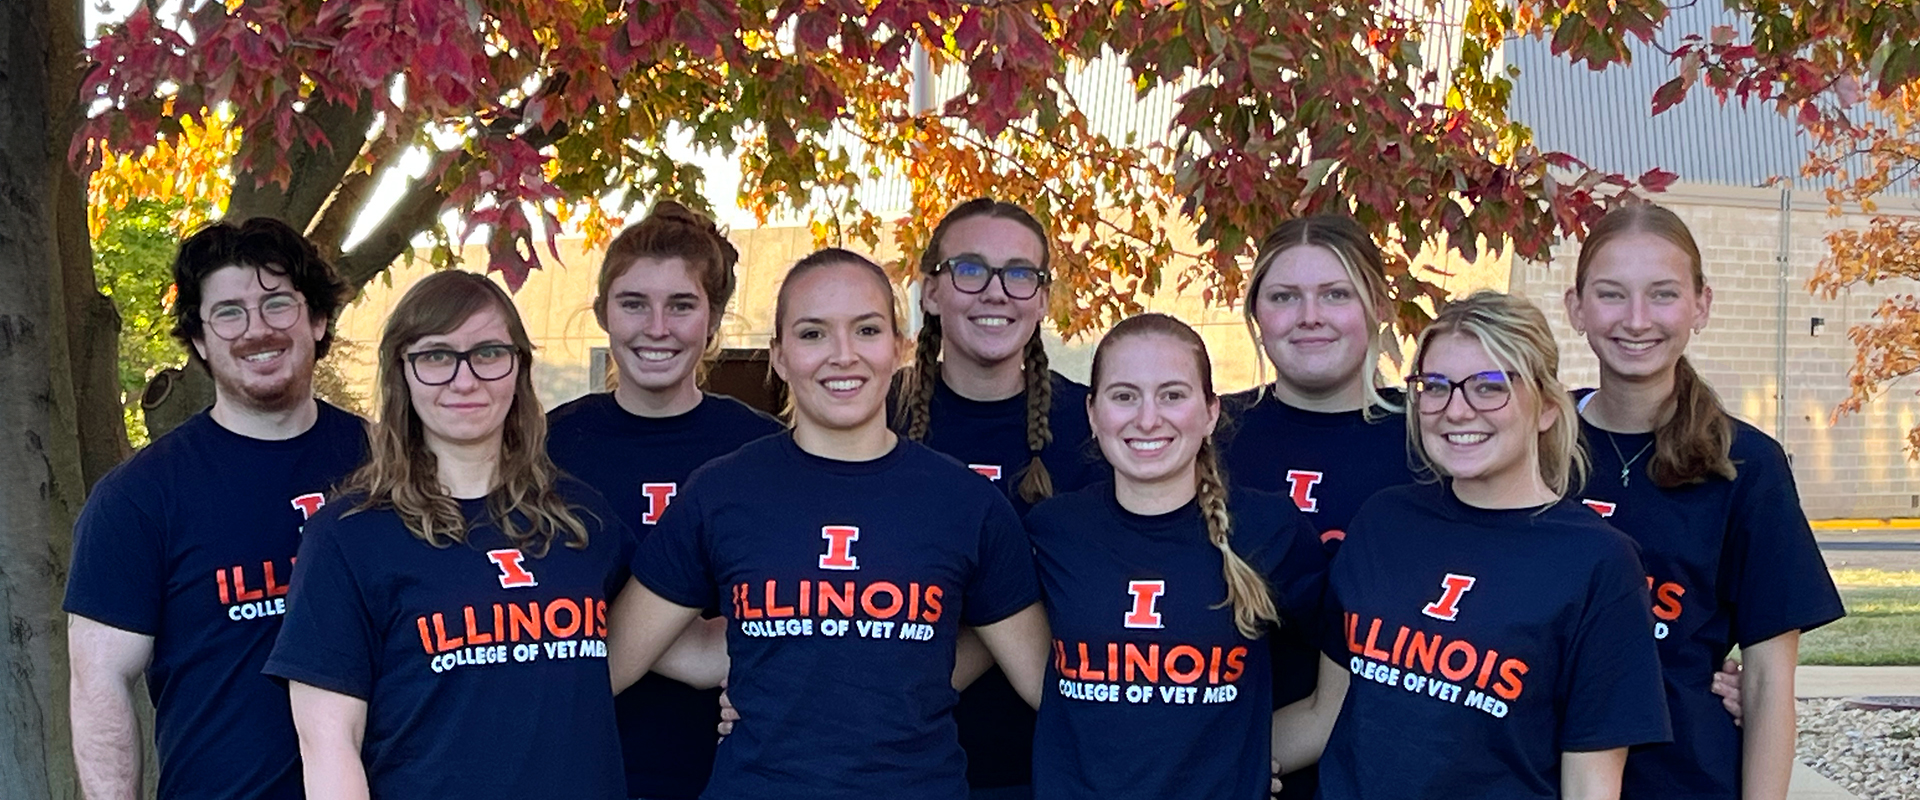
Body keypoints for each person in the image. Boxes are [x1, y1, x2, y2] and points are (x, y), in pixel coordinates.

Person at [607, 247, 1051, 800]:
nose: (843, 355)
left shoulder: (966, 502)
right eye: (813, 334)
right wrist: (758, 667)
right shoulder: (723, 491)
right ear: (779, 357)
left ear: (900, 347)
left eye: (866, 330)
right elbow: (609, 658)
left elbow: (1049, 684)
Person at [265, 271, 660, 798]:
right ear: (401, 373)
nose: (465, 379)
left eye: (489, 353)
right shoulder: (348, 536)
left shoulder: (580, 517)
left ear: (519, 366)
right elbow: (328, 744)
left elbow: (679, 645)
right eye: (436, 356)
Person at [1313, 290, 1671, 799]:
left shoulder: (1598, 562)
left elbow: (1591, 781)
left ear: (1547, 406)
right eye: (1435, 387)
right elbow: (1327, 714)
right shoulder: (1383, 521)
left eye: (1488, 387)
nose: (1456, 411)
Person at [65, 218, 365, 800]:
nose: (256, 330)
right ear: (199, 339)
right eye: (228, 312)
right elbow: (99, 682)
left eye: (277, 304)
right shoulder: (140, 498)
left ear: (319, 318)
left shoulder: (389, 468)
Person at [1563, 204, 1844, 800]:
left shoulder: (1747, 465)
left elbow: (1768, 681)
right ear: (1576, 308)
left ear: (1702, 305)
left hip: (1684, 775)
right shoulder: (1532, 441)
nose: (1636, 320)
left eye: (1663, 295)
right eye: (1611, 295)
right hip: (1534, 772)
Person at [1025, 313, 1328, 799]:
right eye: (1124, 396)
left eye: (1172, 395)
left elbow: (1349, 672)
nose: (1148, 418)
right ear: (1092, 412)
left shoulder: (1270, 530)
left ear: (1210, 411)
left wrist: (1254, 759)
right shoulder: (1053, 530)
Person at [546, 201, 782, 800]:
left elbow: (795, 607)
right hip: (587, 754)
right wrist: (692, 650)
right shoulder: (545, 446)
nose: (657, 327)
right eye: (634, 304)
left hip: (736, 761)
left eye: (681, 305)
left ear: (714, 318)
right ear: (602, 313)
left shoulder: (763, 450)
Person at [896, 198, 1107, 799]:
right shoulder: (872, 416)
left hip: (1052, 763)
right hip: (894, 758)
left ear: (1042, 298)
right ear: (931, 291)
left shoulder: (1098, 425)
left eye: (1019, 274)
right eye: (970, 269)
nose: (996, 292)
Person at [1215, 214, 1420, 800]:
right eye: (1285, 297)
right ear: (1256, 311)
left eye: (1336, 294)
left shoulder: (1435, 438)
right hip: (1213, 754)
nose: (1310, 315)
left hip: (1379, 766)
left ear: (1378, 305)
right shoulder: (1206, 433)